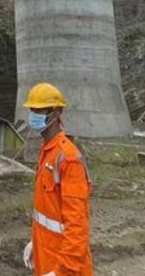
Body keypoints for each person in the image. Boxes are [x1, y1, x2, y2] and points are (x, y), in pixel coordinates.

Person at [21, 83, 93, 276]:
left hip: (65, 266)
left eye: (38, 110)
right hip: (46, 256)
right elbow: (47, 211)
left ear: (55, 114)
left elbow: (77, 225)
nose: (33, 115)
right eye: (32, 110)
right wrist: (34, 241)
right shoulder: (47, 152)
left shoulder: (68, 158)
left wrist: (63, 271)